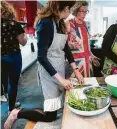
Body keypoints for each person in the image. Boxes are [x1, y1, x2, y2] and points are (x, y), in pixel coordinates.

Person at [4, 1, 84, 129]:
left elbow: (66, 49)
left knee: (59, 106)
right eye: (70, 9)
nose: (70, 12)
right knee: (50, 116)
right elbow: (41, 57)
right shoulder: (46, 23)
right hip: (49, 71)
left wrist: (76, 69)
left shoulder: (60, 23)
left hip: (59, 68)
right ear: (66, 8)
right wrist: (61, 80)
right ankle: (16, 113)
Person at [1, 1, 27, 109]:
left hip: (1, 57)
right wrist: (24, 33)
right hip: (13, 57)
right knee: (13, 83)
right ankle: (11, 108)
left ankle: (4, 97)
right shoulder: (15, 24)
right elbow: (23, 42)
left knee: (3, 81)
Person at [65, 1, 100, 77]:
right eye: (82, 11)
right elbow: (63, 45)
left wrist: (92, 56)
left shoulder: (84, 24)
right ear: (75, 10)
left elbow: (85, 45)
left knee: (88, 85)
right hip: (75, 63)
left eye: (86, 11)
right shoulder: (69, 24)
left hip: (87, 62)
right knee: (76, 86)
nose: (84, 14)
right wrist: (69, 45)